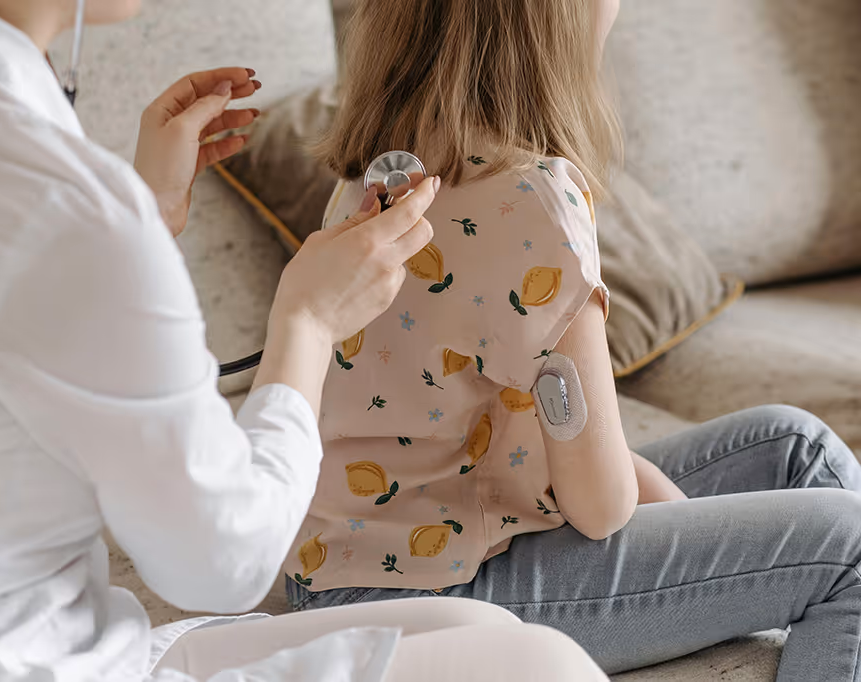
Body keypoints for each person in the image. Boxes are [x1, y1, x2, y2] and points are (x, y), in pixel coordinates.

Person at [0, 0, 609, 680]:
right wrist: (305, 324)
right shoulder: (58, 203)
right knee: (541, 664)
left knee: (481, 629)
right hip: (10, 659)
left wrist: (143, 214)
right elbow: (220, 564)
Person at [284, 1, 861, 680]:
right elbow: (600, 506)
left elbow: (482, 412)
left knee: (794, 446)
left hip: (338, 564)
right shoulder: (535, 201)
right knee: (851, 546)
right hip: (422, 592)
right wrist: (665, 516)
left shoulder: (381, 174)